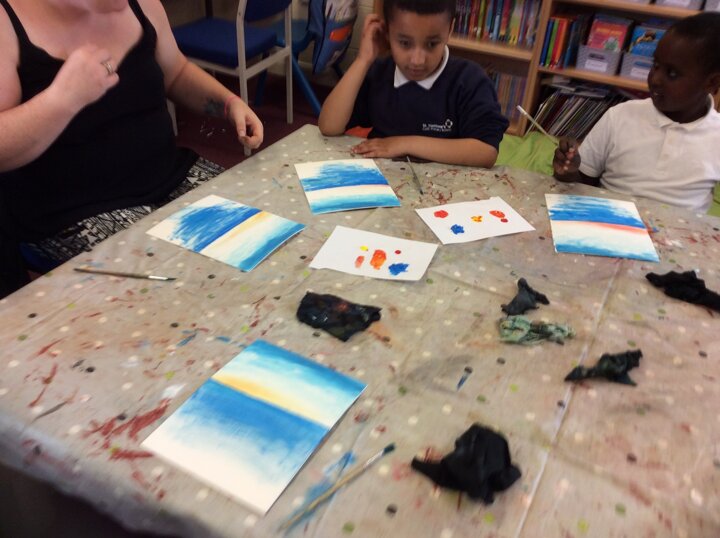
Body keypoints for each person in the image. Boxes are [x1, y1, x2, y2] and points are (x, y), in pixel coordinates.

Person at [0, 0, 263, 297]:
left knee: (259, 239)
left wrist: (228, 104)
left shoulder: (142, 6)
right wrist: (62, 100)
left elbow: (176, 72)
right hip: (73, 210)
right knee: (184, 291)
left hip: (166, 177)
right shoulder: (7, 20)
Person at [553, 12, 720, 213]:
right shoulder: (619, 116)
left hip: (680, 231)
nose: (655, 79)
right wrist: (567, 172)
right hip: (609, 223)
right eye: (655, 65)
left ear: (712, 82)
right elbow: (581, 185)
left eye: (672, 73)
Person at [317, 0, 508, 168]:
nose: (417, 60)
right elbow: (329, 126)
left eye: (431, 44)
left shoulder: (470, 80)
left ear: (450, 29)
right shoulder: (380, 72)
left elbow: (486, 152)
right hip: (382, 183)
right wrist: (363, 60)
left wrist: (403, 144)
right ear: (386, 31)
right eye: (405, 43)